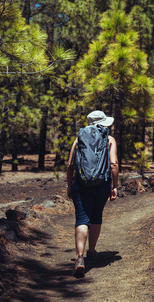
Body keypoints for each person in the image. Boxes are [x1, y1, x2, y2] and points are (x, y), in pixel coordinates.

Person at [66, 110, 119, 278]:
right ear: (104, 123)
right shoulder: (109, 140)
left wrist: (69, 185)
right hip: (102, 184)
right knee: (96, 215)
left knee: (82, 219)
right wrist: (115, 186)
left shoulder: (79, 139)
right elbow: (114, 164)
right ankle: (92, 251)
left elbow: (70, 164)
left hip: (80, 184)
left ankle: (79, 258)